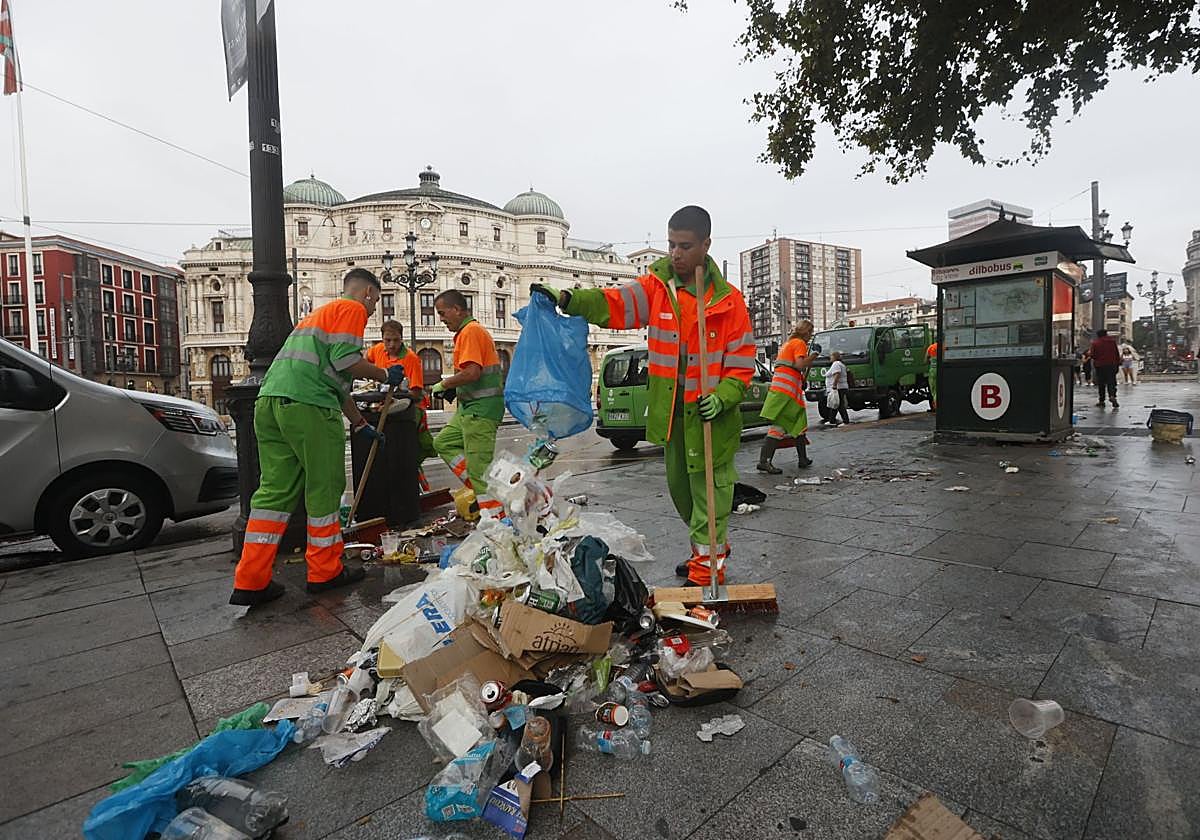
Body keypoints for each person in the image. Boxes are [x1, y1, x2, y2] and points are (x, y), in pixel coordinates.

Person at [531, 206, 755, 587]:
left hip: (710, 419)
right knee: (682, 492)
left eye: (685, 246)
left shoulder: (729, 302)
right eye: (671, 244)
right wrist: (569, 299)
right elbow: (613, 304)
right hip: (673, 415)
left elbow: (741, 366)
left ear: (706, 245)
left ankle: (708, 567)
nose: (676, 254)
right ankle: (704, 550)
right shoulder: (658, 290)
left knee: (710, 495)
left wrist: (723, 395)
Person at [230, 268, 404, 607]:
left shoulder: (315, 320)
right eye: (376, 303)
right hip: (309, 406)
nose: (371, 312)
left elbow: (336, 383)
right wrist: (385, 373)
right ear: (367, 293)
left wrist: (359, 424)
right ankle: (325, 572)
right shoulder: (351, 309)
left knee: (273, 493)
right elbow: (347, 362)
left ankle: (250, 580)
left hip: (271, 403)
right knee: (324, 487)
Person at [429, 289, 505, 515]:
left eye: (443, 313)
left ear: (457, 310)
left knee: (480, 470)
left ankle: (497, 522)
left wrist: (445, 384)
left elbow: (472, 373)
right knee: (443, 443)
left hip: (480, 411)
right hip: (468, 409)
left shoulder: (470, 331)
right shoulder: (467, 332)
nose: (441, 319)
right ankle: (483, 491)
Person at [759, 320, 818, 472]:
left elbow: (792, 368)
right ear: (805, 332)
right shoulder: (799, 343)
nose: (810, 336)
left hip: (783, 389)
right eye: (810, 333)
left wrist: (803, 378)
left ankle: (803, 459)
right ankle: (764, 461)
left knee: (798, 423)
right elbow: (799, 365)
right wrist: (813, 356)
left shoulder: (788, 344)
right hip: (788, 391)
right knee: (780, 425)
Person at [365, 320, 424, 400]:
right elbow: (365, 358)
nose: (392, 345)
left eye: (396, 340)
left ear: (401, 338)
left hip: (407, 406)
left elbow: (416, 393)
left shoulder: (412, 359)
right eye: (388, 340)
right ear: (382, 339)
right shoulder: (378, 349)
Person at [1086, 328, 1120, 409]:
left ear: (1098, 335)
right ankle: (1112, 396)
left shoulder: (1096, 343)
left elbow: (1093, 355)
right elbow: (1116, 353)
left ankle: (1102, 401)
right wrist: (1117, 364)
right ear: (1106, 334)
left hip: (1100, 365)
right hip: (1111, 365)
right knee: (1111, 382)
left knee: (1101, 383)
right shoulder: (1112, 342)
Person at [825, 351, 851, 426]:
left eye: (831, 356)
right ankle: (831, 420)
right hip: (841, 386)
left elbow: (837, 374)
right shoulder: (840, 364)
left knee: (839, 404)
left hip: (839, 387)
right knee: (835, 403)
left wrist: (834, 385)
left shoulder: (836, 364)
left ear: (834, 357)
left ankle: (846, 421)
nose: (830, 357)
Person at [925, 339, 939, 411]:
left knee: (934, 390)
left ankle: (936, 406)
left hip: (933, 371)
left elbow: (926, 360)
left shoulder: (931, 347)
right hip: (942, 371)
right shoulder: (944, 347)